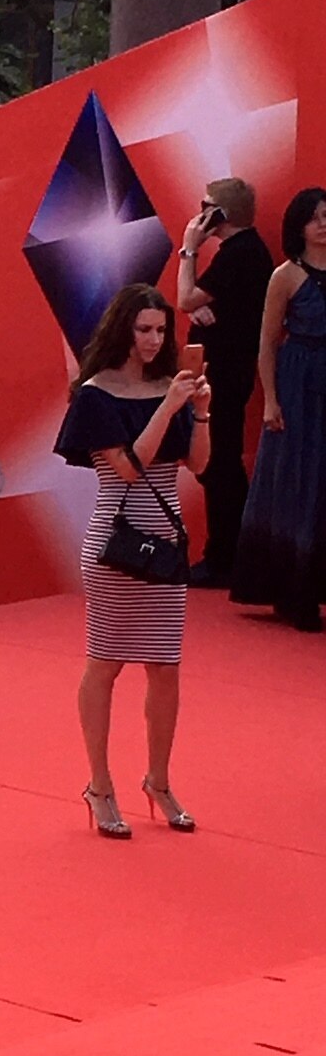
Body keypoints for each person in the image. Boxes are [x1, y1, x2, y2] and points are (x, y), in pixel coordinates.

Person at [55, 284, 211, 837]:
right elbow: (127, 468)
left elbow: (197, 464)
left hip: (165, 547)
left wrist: (200, 412)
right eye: (144, 329)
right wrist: (168, 406)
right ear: (123, 329)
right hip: (115, 546)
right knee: (106, 662)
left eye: (161, 330)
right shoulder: (96, 395)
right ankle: (99, 785)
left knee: (165, 665)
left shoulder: (171, 387)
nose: (153, 340)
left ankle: (159, 781)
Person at [230, 187, 326, 632]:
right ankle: (291, 591)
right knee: (295, 480)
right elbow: (267, 343)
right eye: (315, 217)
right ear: (298, 225)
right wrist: (270, 398)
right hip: (298, 381)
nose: (323, 224)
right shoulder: (285, 276)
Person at [176, 177, 275, 587]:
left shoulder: (241, 253)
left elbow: (185, 297)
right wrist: (198, 308)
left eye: (206, 207)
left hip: (226, 374)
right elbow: (197, 301)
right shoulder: (240, 254)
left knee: (220, 462)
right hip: (224, 371)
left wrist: (189, 249)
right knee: (218, 462)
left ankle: (224, 557)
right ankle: (228, 554)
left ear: (220, 214)